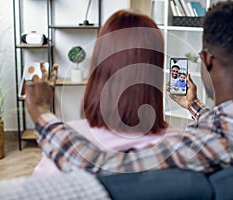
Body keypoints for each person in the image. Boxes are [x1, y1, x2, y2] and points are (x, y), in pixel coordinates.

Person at [26, 1, 233, 175]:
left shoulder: (192, 149)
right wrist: (193, 106)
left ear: (206, 60)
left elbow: (106, 168)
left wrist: (40, 111)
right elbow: (232, 127)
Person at [32, 10, 181, 176]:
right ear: (155, 73)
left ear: (99, 69)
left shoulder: (64, 145)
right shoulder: (179, 146)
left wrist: (39, 111)